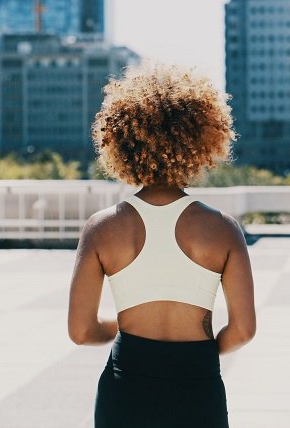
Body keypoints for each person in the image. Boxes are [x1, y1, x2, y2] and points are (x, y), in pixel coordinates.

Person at [67, 63, 256, 428]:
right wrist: (203, 353)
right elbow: (243, 330)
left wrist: (122, 327)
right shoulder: (222, 229)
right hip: (197, 382)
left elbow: (81, 331)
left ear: (122, 140)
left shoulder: (102, 228)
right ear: (202, 138)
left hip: (127, 383)